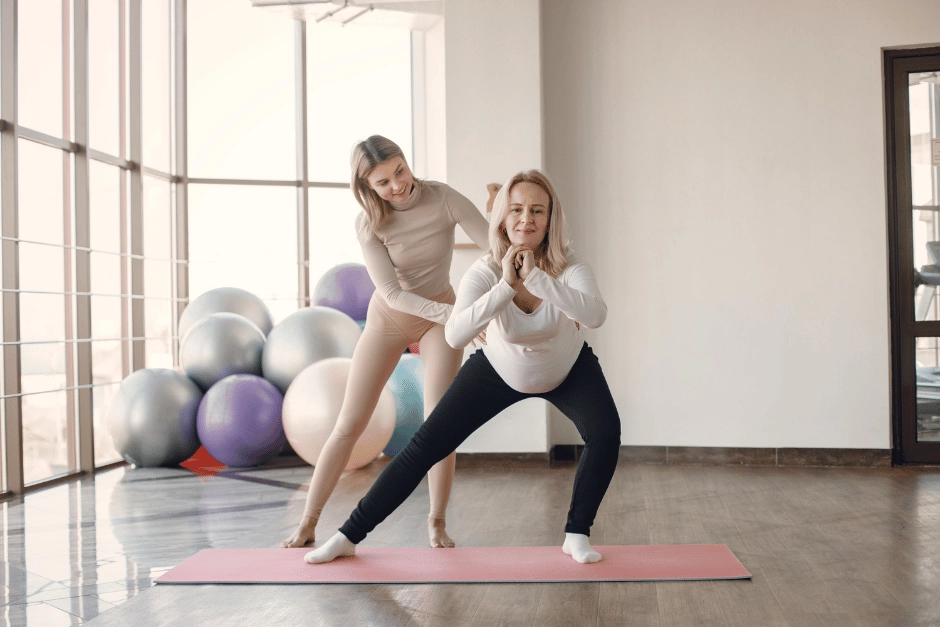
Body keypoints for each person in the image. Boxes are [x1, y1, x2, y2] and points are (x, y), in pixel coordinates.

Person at [305, 169, 622, 565]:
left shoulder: (570, 265)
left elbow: (595, 316)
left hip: (567, 368)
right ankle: (348, 535)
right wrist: (506, 286)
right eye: (517, 209)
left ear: (550, 218)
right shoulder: (486, 271)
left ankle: (576, 533)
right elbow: (455, 334)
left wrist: (539, 280)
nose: (527, 219)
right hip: (498, 370)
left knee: (606, 434)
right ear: (503, 218)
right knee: (424, 446)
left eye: (537, 211)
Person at [281, 136, 489, 550]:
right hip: (391, 319)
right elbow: (394, 295)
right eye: (383, 182)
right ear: (367, 188)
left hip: (438, 322)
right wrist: (457, 316)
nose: (398, 185)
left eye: (400, 171)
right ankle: (308, 523)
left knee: (439, 425)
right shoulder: (369, 224)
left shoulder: (443, 198)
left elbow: (492, 244)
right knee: (349, 423)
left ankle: (437, 522)